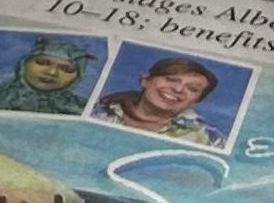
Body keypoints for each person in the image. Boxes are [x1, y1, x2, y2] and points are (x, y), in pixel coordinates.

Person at [96, 55, 224, 142]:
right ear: (145, 80)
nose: (178, 89)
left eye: (192, 89)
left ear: (196, 102)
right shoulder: (96, 111)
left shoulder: (209, 138)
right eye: (171, 79)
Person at [0, 38, 95, 113]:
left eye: (67, 69)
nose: (52, 72)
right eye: (43, 63)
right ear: (24, 63)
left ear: (78, 77)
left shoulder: (86, 110)